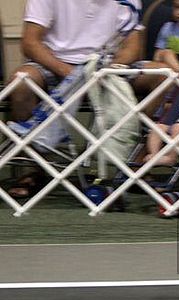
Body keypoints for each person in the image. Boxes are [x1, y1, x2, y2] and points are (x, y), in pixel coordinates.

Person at [5, 0, 163, 198]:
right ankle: (35, 167)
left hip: (106, 66)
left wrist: (105, 70)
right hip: (57, 63)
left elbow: (133, 46)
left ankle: (134, 163)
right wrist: (72, 74)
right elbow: (30, 43)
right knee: (21, 82)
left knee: (163, 75)